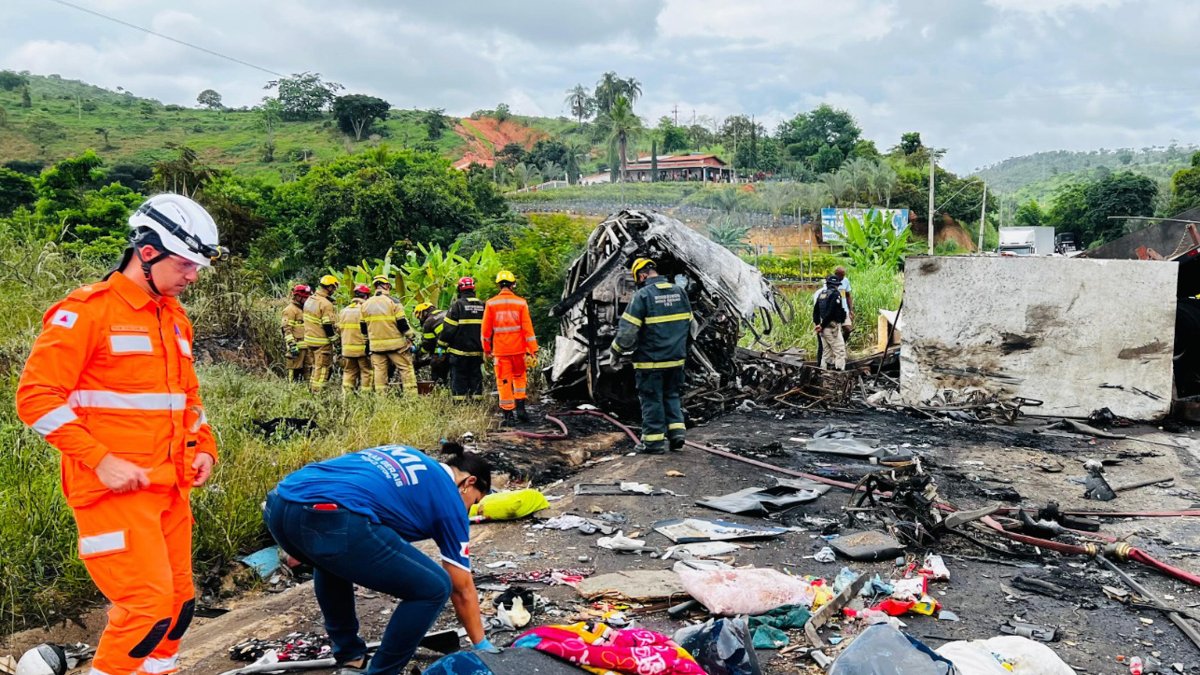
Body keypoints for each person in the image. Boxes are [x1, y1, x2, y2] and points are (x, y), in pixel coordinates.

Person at [16, 193, 224, 675]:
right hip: (113, 492)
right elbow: (36, 398)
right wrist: (101, 459)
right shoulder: (86, 313)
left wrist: (205, 448)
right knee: (146, 611)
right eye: (185, 264)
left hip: (171, 489)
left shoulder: (173, 318)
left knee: (177, 608)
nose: (192, 276)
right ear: (147, 253)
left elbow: (187, 400)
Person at [263, 442, 497, 675]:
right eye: (475, 502)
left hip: (279, 504)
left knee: (331, 560)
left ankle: (350, 657)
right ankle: (382, 672)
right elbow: (462, 588)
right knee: (434, 587)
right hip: (330, 517)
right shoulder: (450, 499)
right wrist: (482, 646)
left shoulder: (407, 453)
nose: (468, 510)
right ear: (469, 483)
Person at [608, 258, 693, 454]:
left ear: (642, 275)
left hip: (650, 362)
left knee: (652, 399)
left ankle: (653, 443)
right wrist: (681, 349)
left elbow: (627, 333)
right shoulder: (679, 292)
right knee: (672, 395)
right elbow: (691, 326)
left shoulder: (643, 296)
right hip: (676, 359)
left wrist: (616, 352)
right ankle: (677, 435)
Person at [481, 270, 538, 426]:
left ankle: (508, 416)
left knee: (504, 381)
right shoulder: (521, 303)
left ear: (499, 285)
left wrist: (486, 349)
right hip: (519, 350)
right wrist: (533, 349)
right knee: (520, 378)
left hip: (501, 352)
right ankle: (521, 410)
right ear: (513, 284)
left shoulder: (491, 303)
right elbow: (528, 329)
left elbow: (485, 332)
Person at [362, 275, 418, 394]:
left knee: (379, 373)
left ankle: (381, 399)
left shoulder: (366, 304)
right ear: (387, 286)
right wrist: (411, 336)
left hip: (376, 347)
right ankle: (412, 398)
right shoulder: (393, 302)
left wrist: (367, 344)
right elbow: (402, 323)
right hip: (396, 346)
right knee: (406, 369)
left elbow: (363, 328)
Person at [438, 277, 486, 402]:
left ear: (459, 289)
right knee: (476, 377)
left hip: (459, 352)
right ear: (473, 289)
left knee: (459, 378)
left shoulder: (457, 306)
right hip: (477, 352)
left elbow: (448, 329)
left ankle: (460, 404)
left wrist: (441, 346)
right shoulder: (482, 305)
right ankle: (477, 403)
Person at [305, 275, 340, 391]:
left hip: (309, 340)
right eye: (334, 288)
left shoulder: (310, 299)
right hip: (322, 342)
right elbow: (327, 325)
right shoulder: (326, 304)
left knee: (315, 368)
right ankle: (317, 394)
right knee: (323, 369)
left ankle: (311, 390)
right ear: (329, 287)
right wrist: (335, 339)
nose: (334, 291)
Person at [338, 284, 372, 393]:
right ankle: (366, 397)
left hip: (347, 350)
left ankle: (347, 397)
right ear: (366, 296)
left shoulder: (344, 311)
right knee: (367, 372)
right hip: (362, 350)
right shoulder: (365, 310)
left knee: (348, 372)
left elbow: (339, 330)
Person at [813, 274, 848, 371]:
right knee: (840, 351)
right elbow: (831, 312)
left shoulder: (822, 294)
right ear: (836, 284)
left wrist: (818, 325)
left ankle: (823, 372)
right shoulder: (835, 294)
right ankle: (839, 374)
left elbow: (815, 311)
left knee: (826, 352)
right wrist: (822, 325)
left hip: (823, 329)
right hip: (832, 328)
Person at [282, 284, 312, 382]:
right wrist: (291, 344)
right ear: (298, 296)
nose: (307, 300)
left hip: (307, 346)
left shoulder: (305, 310)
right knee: (294, 371)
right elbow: (286, 328)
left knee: (308, 371)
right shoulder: (290, 310)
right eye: (305, 298)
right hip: (296, 347)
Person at [413, 302, 449, 386]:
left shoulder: (429, 321)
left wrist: (419, 352)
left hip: (443, 352)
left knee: (437, 369)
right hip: (459, 349)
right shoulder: (447, 313)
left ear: (423, 312)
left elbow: (428, 344)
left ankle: (439, 389)